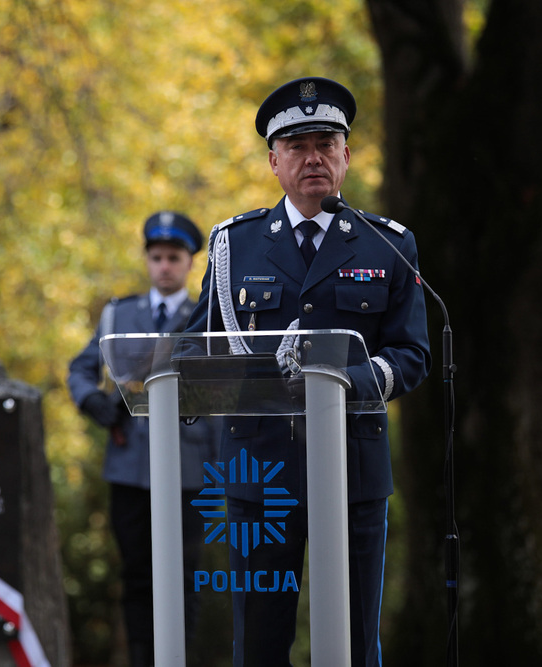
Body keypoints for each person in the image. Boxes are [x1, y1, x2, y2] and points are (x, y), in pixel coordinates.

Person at [183, 77, 431, 665]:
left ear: (347, 155)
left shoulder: (387, 245)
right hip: (259, 476)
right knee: (259, 647)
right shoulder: (234, 246)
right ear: (274, 162)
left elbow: (412, 354)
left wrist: (342, 381)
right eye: (297, 146)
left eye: (326, 143)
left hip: (352, 471)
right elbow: (197, 346)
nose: (313, 157)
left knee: (354, 645)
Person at [67, 212, 219, 667]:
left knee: (184, 575)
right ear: (147, 260)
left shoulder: (207, 315)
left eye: (174, 257)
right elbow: (81, 369)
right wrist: (91, 400)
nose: (164, 266)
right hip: (130, 465)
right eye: (157, 257)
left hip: (189, 469)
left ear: (189, 263)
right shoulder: (120, 313)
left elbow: (223, 388)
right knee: (136, 574)